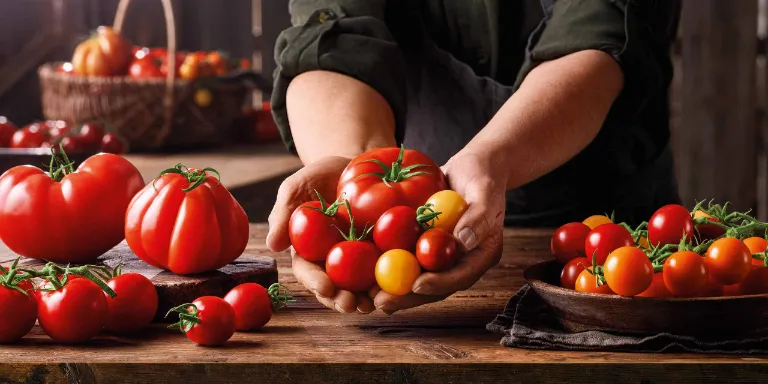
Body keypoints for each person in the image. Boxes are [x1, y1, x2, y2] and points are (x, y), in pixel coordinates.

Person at [265, 0, 682, 314]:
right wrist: (355, 167)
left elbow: (600, 27)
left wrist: (492, 158)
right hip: (428, 214)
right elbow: (332, 30)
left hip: (606, 238)